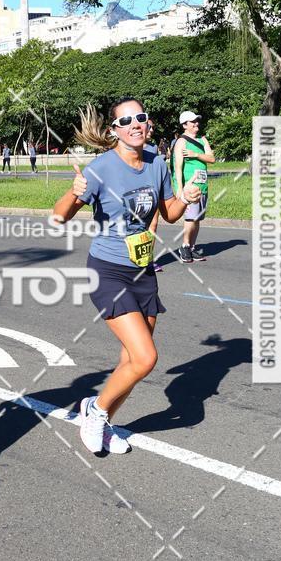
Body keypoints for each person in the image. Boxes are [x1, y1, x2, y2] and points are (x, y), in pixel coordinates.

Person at [52, 99, 201, 456]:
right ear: (115, 130)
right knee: (146, 358)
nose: (135, 124)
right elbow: (59, 217)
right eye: (126, 120)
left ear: (148, 124)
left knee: (130, 362)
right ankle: (96, 411)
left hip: (143, 270)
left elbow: (169, 213)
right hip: (108, 271)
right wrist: (74, 193)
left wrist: (184, 196)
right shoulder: (101, 168)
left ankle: (103, 422)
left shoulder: (155, 162)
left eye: (140, 118)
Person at [171, 111, 215, 263]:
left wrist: (195, 154)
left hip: (203, 186)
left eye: (197, 120)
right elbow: (177, 168)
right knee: (190, 218)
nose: (196, 123)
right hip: (190, 187)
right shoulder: (181, 142)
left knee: (197, 218)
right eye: (193, 121)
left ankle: (192, 247)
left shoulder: (202, 140)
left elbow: (212, 158)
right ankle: (184, 246)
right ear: (184, 125)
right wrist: (179, 189)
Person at [144, 121, 162, 272]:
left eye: (153, 128)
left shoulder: (153, 147)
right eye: (148, 127)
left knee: (153, 224)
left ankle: (148, 258)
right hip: (135, 193)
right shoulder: (126, 147)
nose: (151, 130)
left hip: (152, 191)